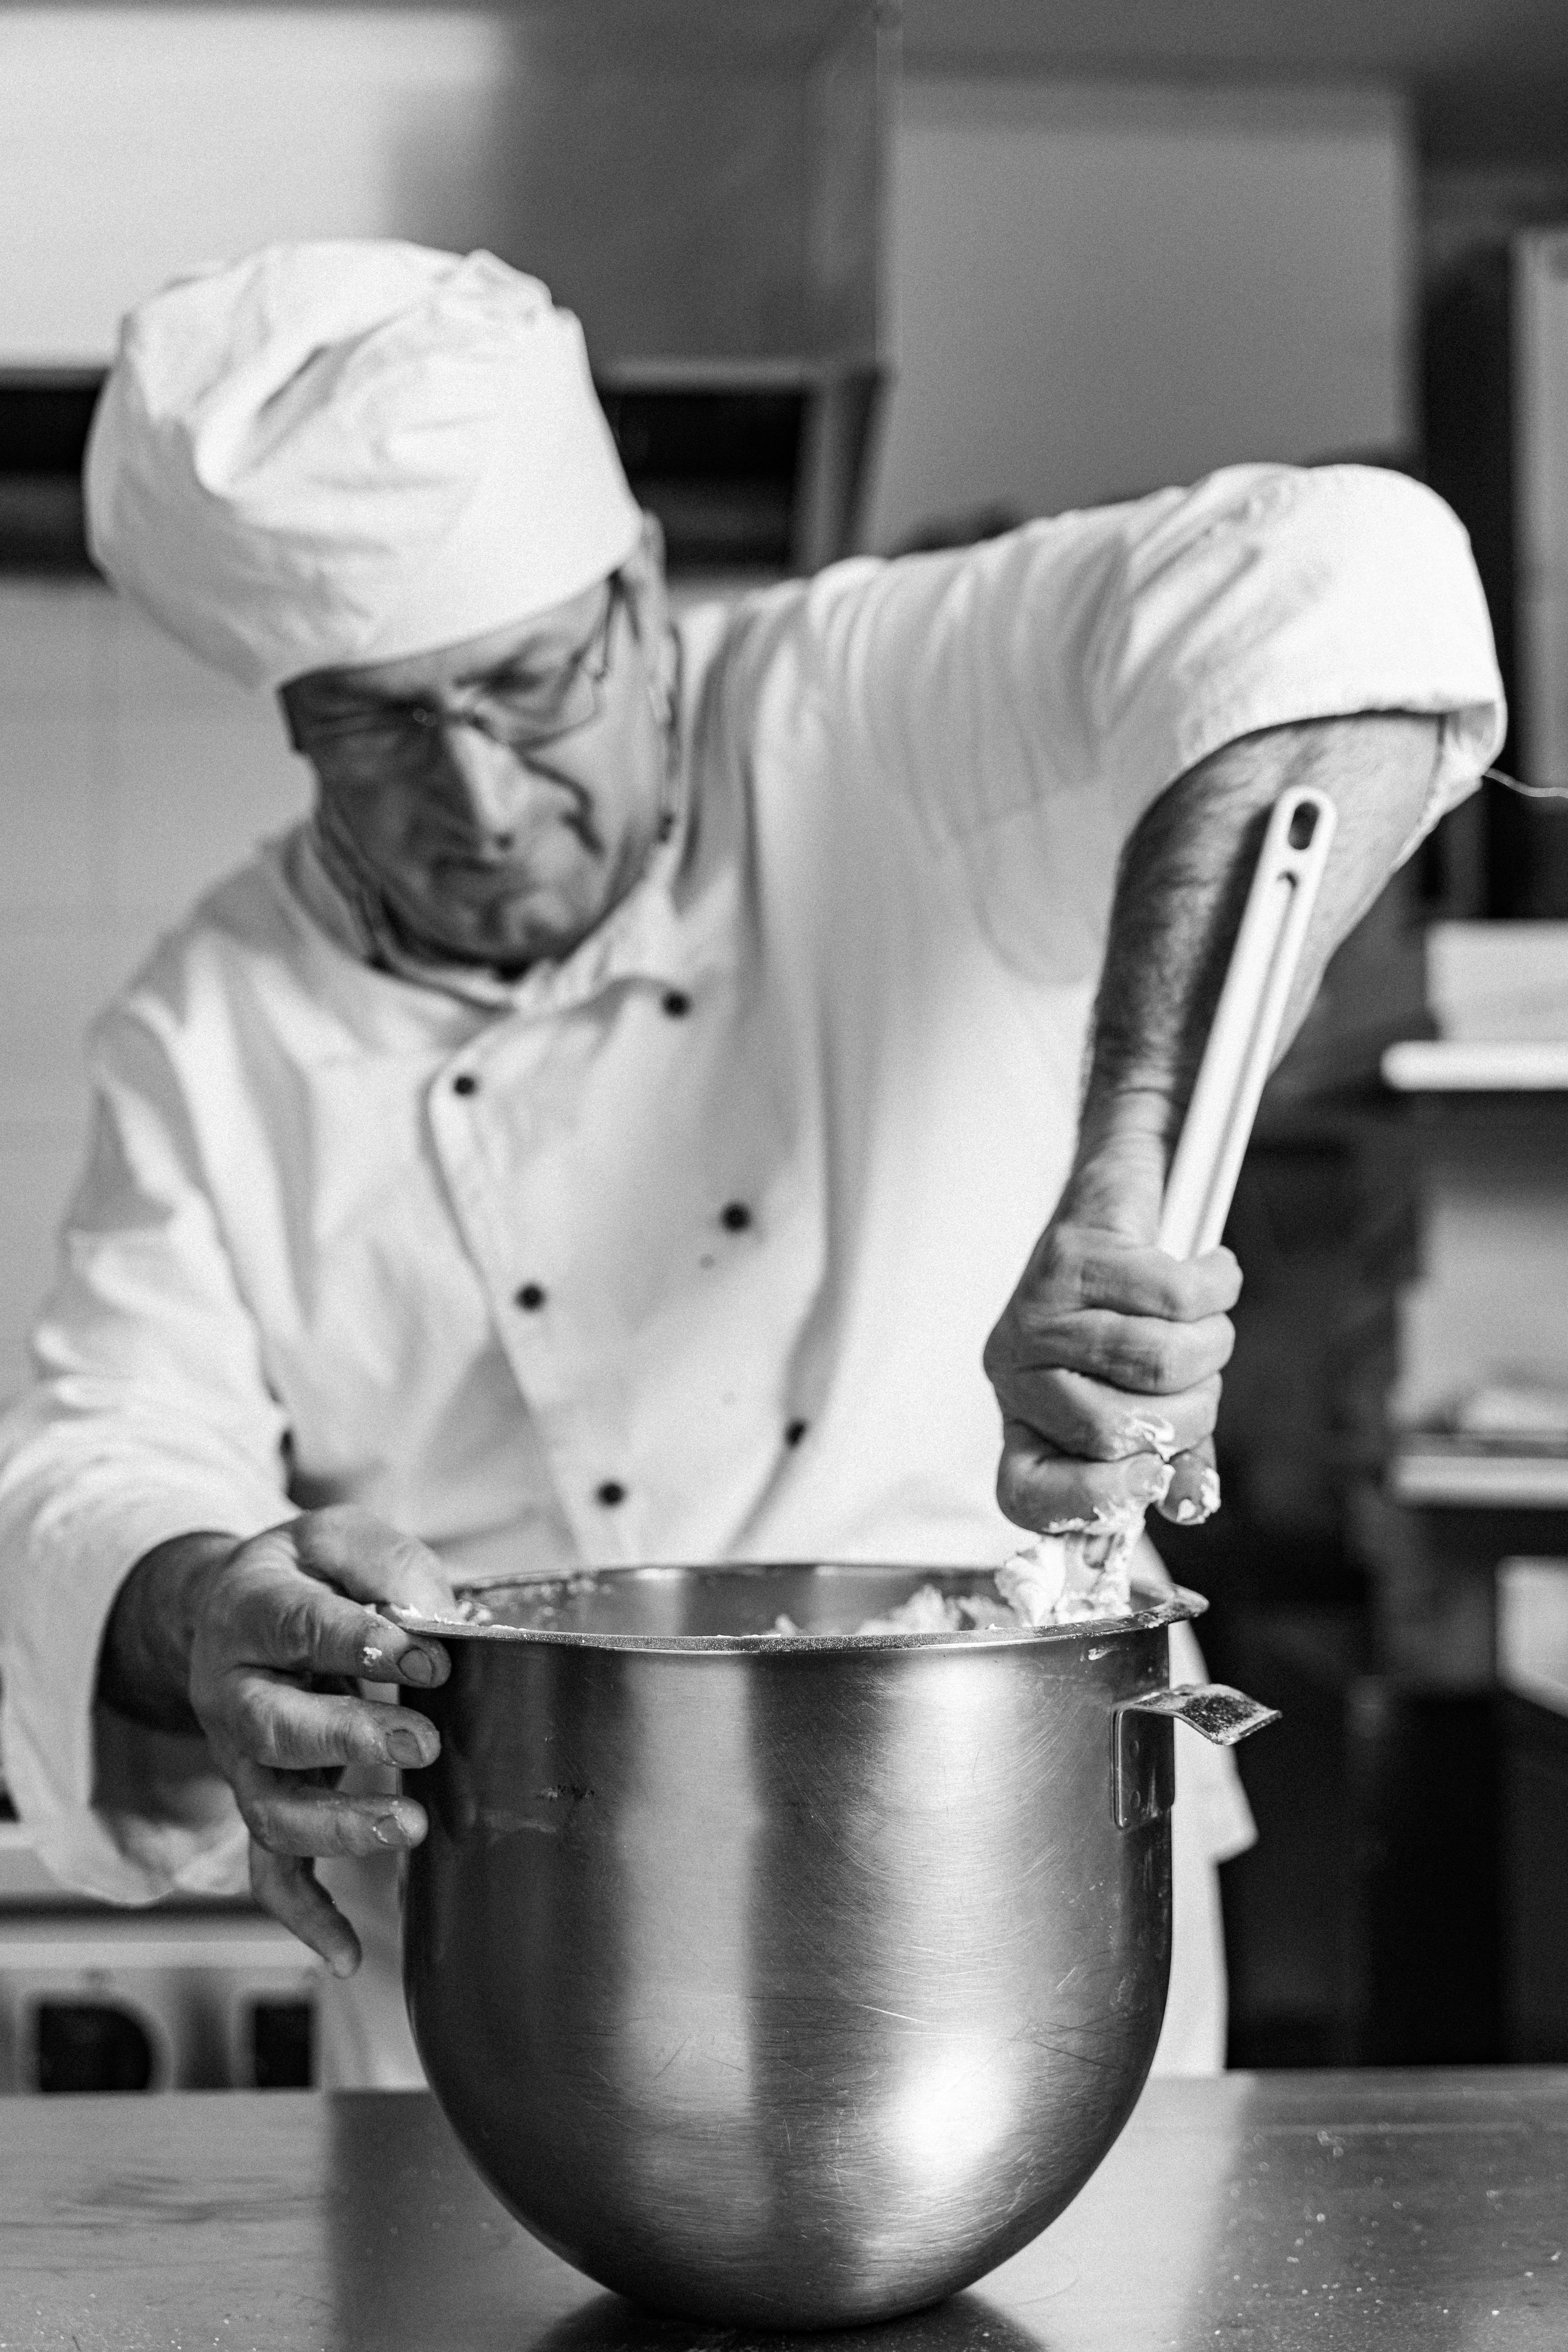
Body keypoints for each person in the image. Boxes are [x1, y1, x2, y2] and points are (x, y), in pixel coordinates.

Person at [0, 243, 1503, 2087]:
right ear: (292, 720)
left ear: (635, 589)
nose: (479, 797)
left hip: (997, 1891)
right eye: (380, 725)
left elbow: (1347, 580)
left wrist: (1127, 1185)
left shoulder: (873, 705)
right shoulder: (210, 1021)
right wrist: (207, 1596)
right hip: (499, 1940)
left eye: (531, 685)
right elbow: (101, 1444)